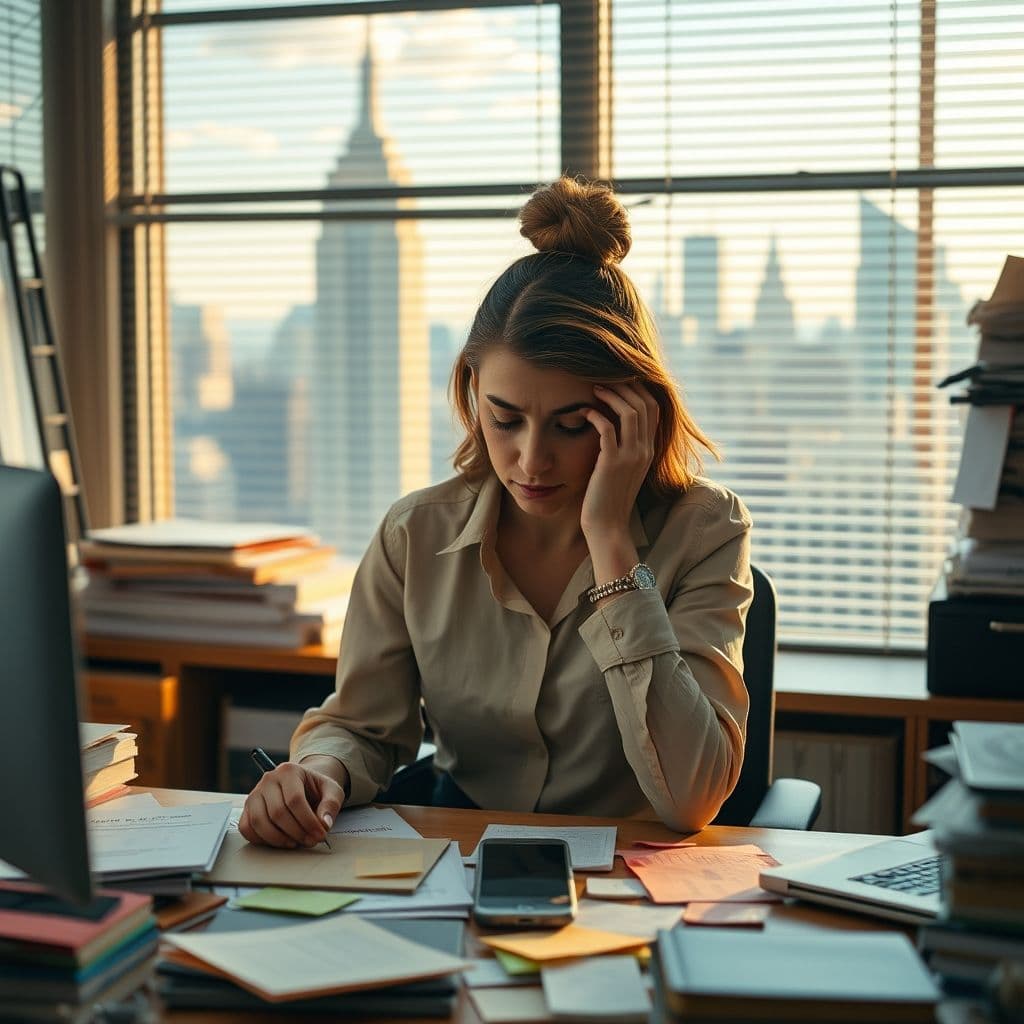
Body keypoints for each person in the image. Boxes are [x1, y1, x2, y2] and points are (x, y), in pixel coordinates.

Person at [238, 176, 753, 848]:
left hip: (635, 870)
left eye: (573, 425)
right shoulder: (414, 534)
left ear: (636, 415)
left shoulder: (706, 530)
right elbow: (363, 726)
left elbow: (692, 799)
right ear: (471, 392)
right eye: (505, 418)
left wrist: (610, 544)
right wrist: (318, 771)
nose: (531, 461)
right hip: (462, 854)